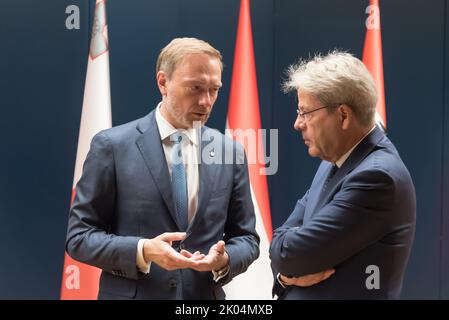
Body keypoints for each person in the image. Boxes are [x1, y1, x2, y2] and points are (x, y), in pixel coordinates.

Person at [66, 37, 259, 300]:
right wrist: (144, 250)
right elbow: (79, 237)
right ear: (163, 82)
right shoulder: (111, 146)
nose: (206, 101)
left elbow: (247, 238)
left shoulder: (230, 153)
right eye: (195, 88)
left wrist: (223, 260)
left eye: (214, 89)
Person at [269, 51, 416, 299]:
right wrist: (286, 273)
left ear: (343, 115)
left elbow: (288, 254)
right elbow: (282, 244)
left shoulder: (377, 178)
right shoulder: (334, 162)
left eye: (305, 112)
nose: (297, 123)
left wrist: (288, 260)